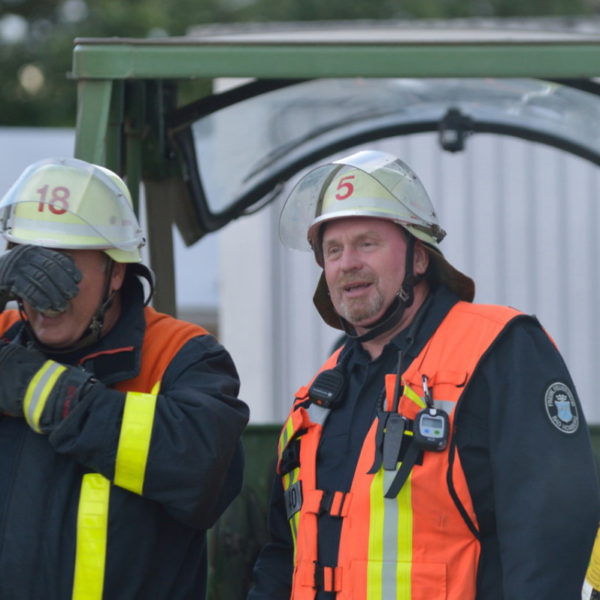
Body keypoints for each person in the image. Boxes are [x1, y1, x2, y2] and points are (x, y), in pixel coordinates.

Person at [248, 149, 600, 600]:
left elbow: (551, 532)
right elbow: (283, 553)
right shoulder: (324, 389)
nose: (346, 262)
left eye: (367, 243)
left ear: (419, 258)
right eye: (332, 250)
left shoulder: (502, 350)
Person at [0, 157, 249, 599]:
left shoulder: (179, 355)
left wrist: (39, 389)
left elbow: (203, 472)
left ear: (115, 272)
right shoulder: (5, 336)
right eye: (28, 265)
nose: (40, 296)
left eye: (62, 269)